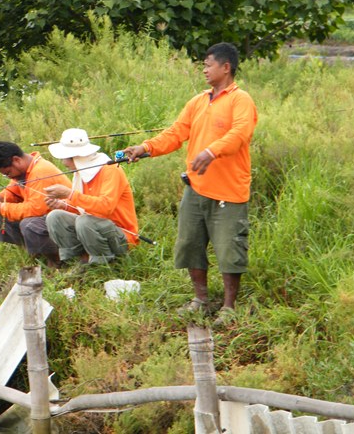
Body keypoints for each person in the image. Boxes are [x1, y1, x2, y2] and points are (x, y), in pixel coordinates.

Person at [122, 42, 257, 326]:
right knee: (189, 244)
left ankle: (229, 307)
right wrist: (144, 148)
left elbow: (240, 133)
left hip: (229, 192)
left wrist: (211, 151)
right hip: (196, 189)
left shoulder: (240, 99)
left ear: (226, 67)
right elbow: (175, 133)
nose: (205, 70)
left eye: (208, 65)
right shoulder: (198, 101)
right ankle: (201, 300)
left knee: (229, 248)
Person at [43, 128, 140, 266]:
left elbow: (105, 208)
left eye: (66, 158)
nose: (64, 163)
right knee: (55, 216)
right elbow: (86, 209)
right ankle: (74, 261)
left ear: (77, 158)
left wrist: (69, 194)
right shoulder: (82, 172)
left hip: (122, 235)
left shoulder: (110, 170)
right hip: (94, 227)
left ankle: (102, 263)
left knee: (84, 222)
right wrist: (64, 205)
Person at [0, 141, 72, 267]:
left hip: (63, 219)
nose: (8, 177)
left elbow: (37, 209)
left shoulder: (40, 171)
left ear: (16, 160)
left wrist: (3, 207)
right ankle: (36, 253)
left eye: (7, 173)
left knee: (29, 224)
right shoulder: (23, 171)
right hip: (46, 214)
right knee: (4, 217)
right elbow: (13, 190)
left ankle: (57, 260)